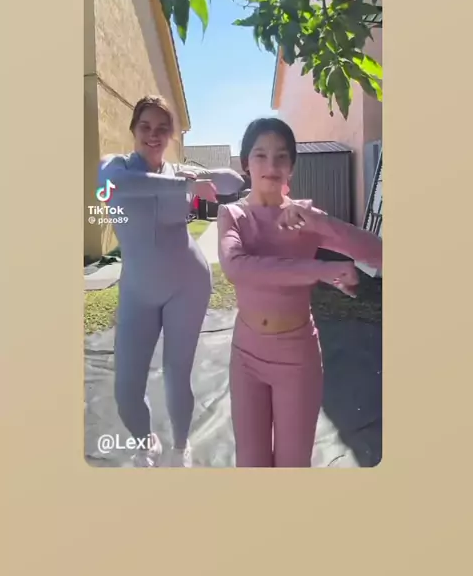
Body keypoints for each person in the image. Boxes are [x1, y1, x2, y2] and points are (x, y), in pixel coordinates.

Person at [217, 117, 382, 468]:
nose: (271, 165)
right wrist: (322, 270)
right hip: (246, 356)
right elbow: (237, 267)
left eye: (281, 156)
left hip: (296, 356)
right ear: (246, 163)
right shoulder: (232, 215)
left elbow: (377, 252)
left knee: (292, 466)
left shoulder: (304, 217)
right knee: (251, 464)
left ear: (291, 167)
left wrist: (321, 222)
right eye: (260, 155)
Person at [97, 95, 244, 468]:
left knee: (178, 377)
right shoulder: (114, 167)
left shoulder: (181, 171)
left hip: (187, 284)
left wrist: (199, 177)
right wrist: (182, 187)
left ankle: (180, 447)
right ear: (133, 129)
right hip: (138, 291)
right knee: (126, 391)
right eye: (145, 126)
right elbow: (114, 186)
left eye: (162, 129)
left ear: (171, 135)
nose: (153, 135)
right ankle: (146, 443)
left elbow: (234, 180)